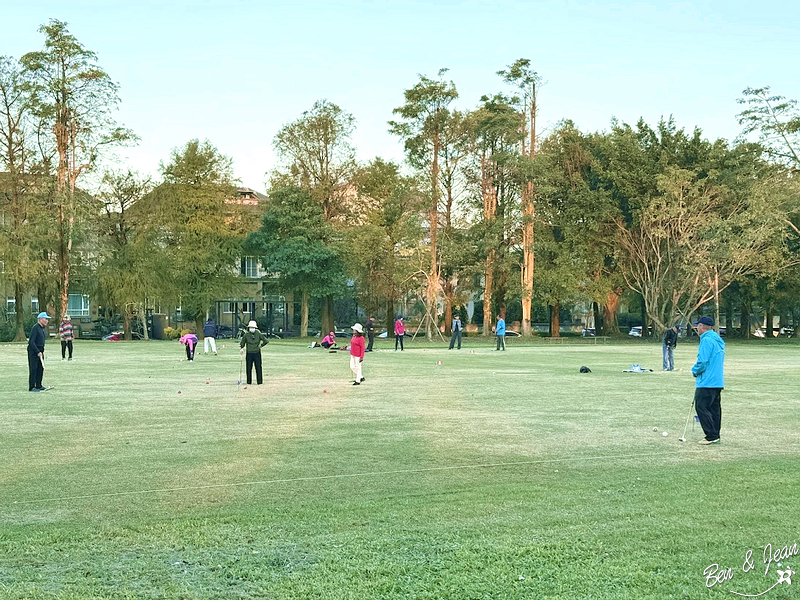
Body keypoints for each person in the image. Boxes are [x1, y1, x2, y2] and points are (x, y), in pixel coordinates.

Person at [691, 316, 725, 445]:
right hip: (717, 381)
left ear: (702, 326)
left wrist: (695, 370)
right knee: (714, 409)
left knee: (701, 406)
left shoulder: (706, 340)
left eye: (698, 325)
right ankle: (715, 434)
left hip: (707, 381)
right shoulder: (717, 340)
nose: (697, 328)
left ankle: (710, 435)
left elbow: (702, 361)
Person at [239, 320, 269, 385]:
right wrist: (241, 348)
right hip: (249, 353)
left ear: (255, 328)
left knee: (258, 367)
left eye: (253, 327)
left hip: (257, 353)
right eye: (250, 327)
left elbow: (266, 341)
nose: (251, 329)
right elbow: (242, 343)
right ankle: (249, 382)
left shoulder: (258, 333)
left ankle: (259, 381)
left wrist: (261, 346)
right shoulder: (246, 335)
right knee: (248, 368)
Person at [27, 312, 50, 391]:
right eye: (45, 319)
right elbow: (31, 342)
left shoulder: (42, 329)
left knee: (40, 368)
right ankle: (32, 386)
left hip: (40, 350)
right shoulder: (35, 328)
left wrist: (41, 352)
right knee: (34, 368)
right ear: (40, 319)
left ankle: (38, 385)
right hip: (34, 351)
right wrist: (37, 351)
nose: (47, 321)